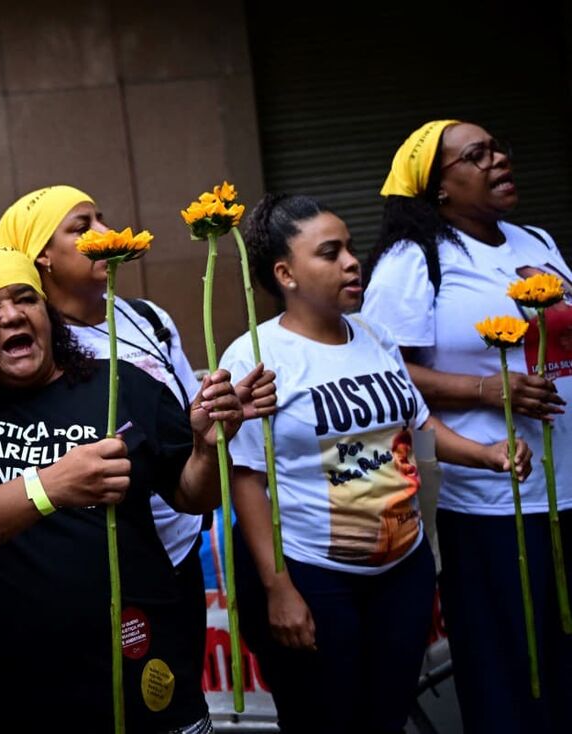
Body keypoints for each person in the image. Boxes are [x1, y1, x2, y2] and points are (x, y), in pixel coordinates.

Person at [0, 247, 271, 733]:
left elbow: (193, 497)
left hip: (138, 666)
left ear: (47, 315)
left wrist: (205, 449)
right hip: (14, 690)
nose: (11, 316)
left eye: (25, 299)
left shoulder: (121, 384)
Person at [222, 193, 532, 734]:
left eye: (349, 247)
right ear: (285, 273)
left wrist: (487, 454)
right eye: (329, 252)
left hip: (401, 572)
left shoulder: (374, 334)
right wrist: (278, 589)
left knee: (387, 719)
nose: (351, 261)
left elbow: (416, 426)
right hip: (314, 576)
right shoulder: (254, 355)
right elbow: (246, 475)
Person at [363, 120, 572, 733]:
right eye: (476, 156)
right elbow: (381, 367)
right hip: (488, 500)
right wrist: (485, 388)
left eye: (497, 148)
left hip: (566, 484)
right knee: (510, 668)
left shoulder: (533, 239)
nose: (498, 160)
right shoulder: (415, 260)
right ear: (440, 188)